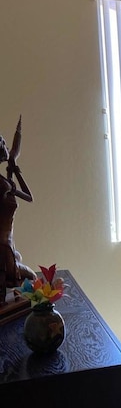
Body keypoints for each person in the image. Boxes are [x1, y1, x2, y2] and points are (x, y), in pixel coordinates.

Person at [0, 124, 35, 303]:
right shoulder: (3, 185)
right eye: (4, 145)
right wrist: (13, 168)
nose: (6, 148)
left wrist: (13, 169)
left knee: (19, 259)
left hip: (7, 245)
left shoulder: (4, 183)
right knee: (33, 278)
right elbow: (27, 196)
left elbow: (28, 197)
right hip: (3, 247)